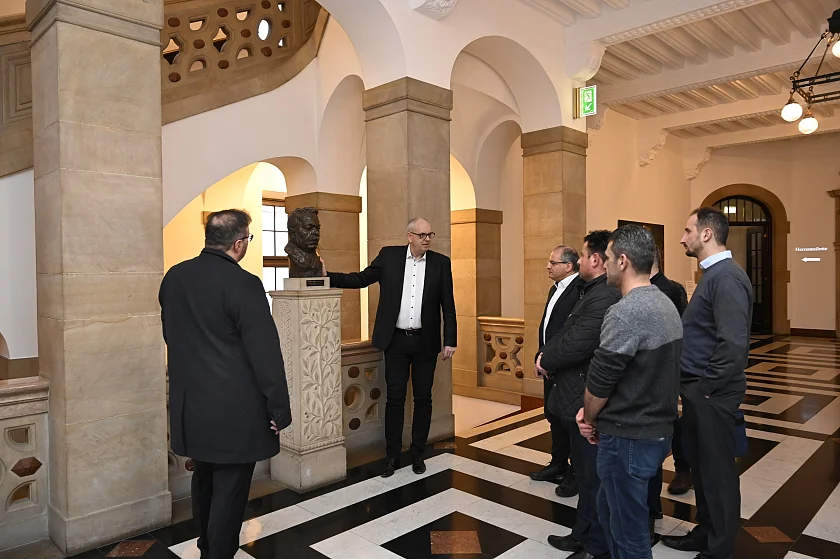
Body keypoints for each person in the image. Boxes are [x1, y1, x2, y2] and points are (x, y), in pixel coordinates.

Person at [159, 210, 292, 559]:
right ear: (238, 243)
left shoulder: (174, 278)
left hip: (191, 407)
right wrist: (279, 408)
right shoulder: (244, 284)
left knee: (203, 480)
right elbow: (266, 355)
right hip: (236, 412)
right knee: (230, 494)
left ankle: (206, 545)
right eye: (248, 239)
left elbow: (170, 334)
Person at [576, 225, 682, 559]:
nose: (603, 263)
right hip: (655, 429)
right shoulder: (665, 303)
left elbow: (602, 379)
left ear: (622, 261)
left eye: (607, 258)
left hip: (629, 436)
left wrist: (588, 416)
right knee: (611, 512)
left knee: (629, 532)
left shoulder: (626, 312)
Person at [325, 218, 457, 477]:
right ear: (409, 236)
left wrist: (450, 339)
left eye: (430, 234)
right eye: (421, 235)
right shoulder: (389, 257)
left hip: (425, 342)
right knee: (395, 398)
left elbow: (448, 305)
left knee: (423, 398)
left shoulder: (441, 263)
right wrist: (326, 276)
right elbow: (361, 279)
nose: (427, 239)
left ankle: (418, 453)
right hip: (395, 341)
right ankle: (392, 456)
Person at [662, 207, 752, 559]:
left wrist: (704, 388)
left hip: (711, 392)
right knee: (701, 467)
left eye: (687, 230)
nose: (682, 237)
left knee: (717, 473)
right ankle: (706, 531)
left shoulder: (726, 277)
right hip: (701, 390)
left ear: (706, 234)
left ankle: (720, 548)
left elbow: (733, 346)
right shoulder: (714, 275)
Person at [538, 230, 620, 559]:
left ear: (595, 260)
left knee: (591, 475)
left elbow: (578, 340)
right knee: (586, 475)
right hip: (574, 389)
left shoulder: (602, 296)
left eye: (584, 256)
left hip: (584, 391)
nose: (582, 260)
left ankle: (591, 541)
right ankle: (583, 534)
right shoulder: (593, 292)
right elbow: (565, 332)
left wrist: (547, 358)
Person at [530, 245, 582, 491]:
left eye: (553, 262)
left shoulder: (579, 290)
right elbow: (548, 327)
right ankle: (558, 462)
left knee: (569, 419)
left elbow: (568, 333)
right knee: (553, 415)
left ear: (568, 266)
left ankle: (575, 471)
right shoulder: (555, 289)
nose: (548, 266)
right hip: (549, 363)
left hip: (566, 366)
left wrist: (552, 358)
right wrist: (541, 356)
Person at [647, 247, 690, 533]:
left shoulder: (670, 289)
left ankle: (682, 469)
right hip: (647, 371)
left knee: (671, 420)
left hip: (668, 366)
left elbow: (681, 328)